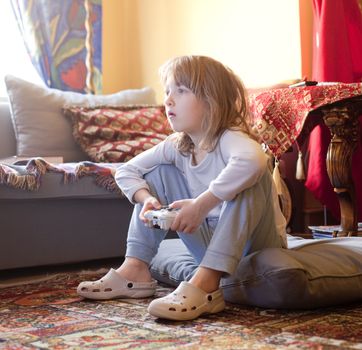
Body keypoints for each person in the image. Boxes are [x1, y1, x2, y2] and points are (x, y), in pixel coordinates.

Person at [77, 55, 287, 321]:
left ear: (211, 100)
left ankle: (207, 284)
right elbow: (127, 170)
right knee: (159, 172)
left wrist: (201, 205)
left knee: (251, 176)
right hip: (211, 245)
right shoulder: (178, 144)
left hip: (256, 245)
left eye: (181, 90)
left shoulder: (230, 138)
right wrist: (147, 200)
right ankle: (135, 270)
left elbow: (254, 160)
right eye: (167, 91)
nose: (168, 100)